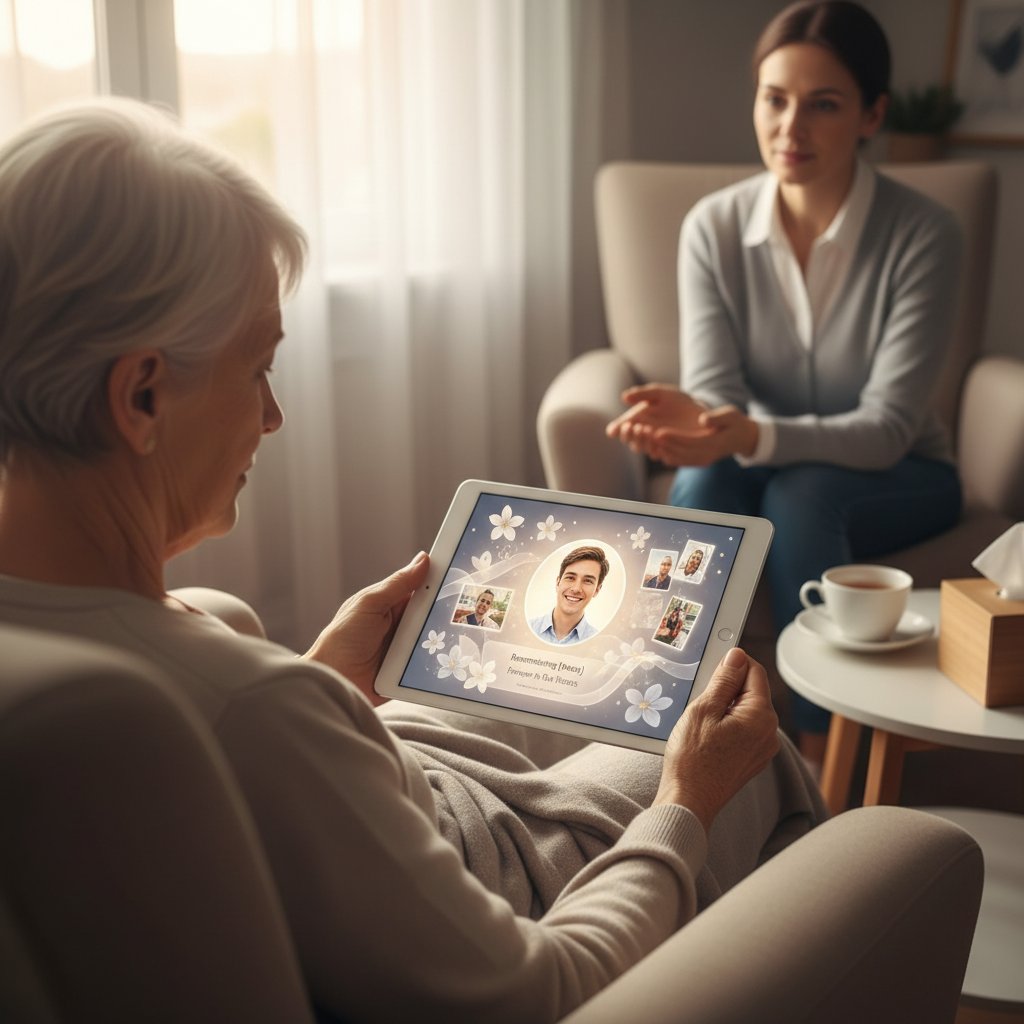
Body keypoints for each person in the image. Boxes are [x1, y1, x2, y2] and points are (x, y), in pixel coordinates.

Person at [0, 98, 825, 1023]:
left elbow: (240, 774)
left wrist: (327, 687)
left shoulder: (120, 674)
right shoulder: (256, 712)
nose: (271, 417)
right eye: (256, 368)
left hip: (387, 800)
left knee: (482, 692)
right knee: (755, 755)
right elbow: (543, 989)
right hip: (502, 901)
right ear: (142, 395)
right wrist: (686, 801)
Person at [606, 0, 963, 769]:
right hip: (759, 464)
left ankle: (813, 763)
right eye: (775, 99)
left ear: (873, 114)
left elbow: (888, 426)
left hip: (903, 473)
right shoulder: (713, 226)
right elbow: (714, 400)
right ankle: (662, 732)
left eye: (823, 105)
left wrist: (744, 433)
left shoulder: (925, 234)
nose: (790, 129)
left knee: (802, 492)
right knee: (701, 488)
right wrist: (691, 431)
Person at [528, 544, 610, 645]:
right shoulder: (526, 629)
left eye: (587, 581)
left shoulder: (598, 645)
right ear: (558, 583)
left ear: (597, 590)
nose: (576, 589)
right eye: (570, 578)